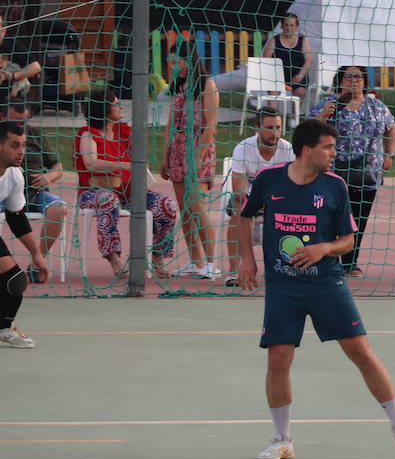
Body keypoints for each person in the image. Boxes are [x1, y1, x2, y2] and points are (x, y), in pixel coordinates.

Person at [236, 118, 395, 459]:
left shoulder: (335, 186)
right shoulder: (270, 180)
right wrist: (246, 259)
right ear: (307, 149)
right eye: (328, 147)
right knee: (278, 358)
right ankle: (282, 439)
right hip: (283, 287)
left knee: (361, 352)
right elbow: (245, 215)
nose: (333, 153)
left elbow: (346, 241)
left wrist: (322, 249)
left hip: (327, 284)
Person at [74, 91, 177, 280]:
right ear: (104, 109)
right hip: (93, 192)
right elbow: (90, 162)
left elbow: (138, 156)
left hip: (127, 192)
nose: (121, 107)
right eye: (116, 104)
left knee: (166, 205)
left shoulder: (123, 131)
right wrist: (124, 165)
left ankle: (157, 256)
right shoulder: (88, 134)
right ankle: (113, 258)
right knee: (108, 199)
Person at [310, 66, 395, 276]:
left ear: (365, 81)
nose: (353, 81)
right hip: (333, 171)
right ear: (340, 81)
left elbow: (391, 128)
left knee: (359, 219)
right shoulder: (329, 104)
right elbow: (308, 130)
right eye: (348, 77)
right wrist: (323, 115)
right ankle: (329, 260)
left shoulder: (377, 106)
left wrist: (389, 154)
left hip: (367, 171)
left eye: (358, 77)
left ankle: (350, 262)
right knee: (331, 217)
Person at [160, 38, 220, 278]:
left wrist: (197, 158)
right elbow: (170, 124)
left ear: (189, 60)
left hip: (198, 151)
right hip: (177, 151)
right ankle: (195, 262)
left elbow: (211, 127)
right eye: (170, 62)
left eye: (177, 62)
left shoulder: (207, 86)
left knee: (197, 207)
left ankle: (212, 263)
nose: (173, 67)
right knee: (184, 210)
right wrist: (165, 155)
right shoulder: (178, 87)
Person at [224, 108, 294, 287]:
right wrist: (257, 204)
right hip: (249, 197)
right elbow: (238, 188)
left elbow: (293, 184)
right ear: (257, 129)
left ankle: (285, 267)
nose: (275, 133)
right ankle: (233, 271)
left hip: (278, 199)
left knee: (294, 216)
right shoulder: (243, 147)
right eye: (270, 128)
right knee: (236, 213)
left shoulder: (288, 149)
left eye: (278, 127)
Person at [0, 121, 50, 347]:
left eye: (23, 145)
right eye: (14, 145)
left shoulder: (15, 176)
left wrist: (37, 254)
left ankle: (4, 328)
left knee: (15, 280)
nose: (21, 151)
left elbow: (16, 217)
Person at [4, 97, 67, 270]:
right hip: (4, 193)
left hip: (34, 192)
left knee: (59, 208)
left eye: (23, 121)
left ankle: (38, 262)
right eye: (15, 121)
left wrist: (49, 177)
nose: (19, 126)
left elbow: (58, 167)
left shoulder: (36, 134)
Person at [258, 12, 313, 102]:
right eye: (286, 25)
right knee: (273, 93)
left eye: (292, 25)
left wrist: (301, 74)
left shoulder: (303, 40)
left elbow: (309, 60)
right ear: (281, 26)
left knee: (300, 92)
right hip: (279, 76)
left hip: (297, 75)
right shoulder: (274, 40)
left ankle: (294, 116)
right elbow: (266, 60)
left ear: (296, 26)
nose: (289, 28)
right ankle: (271, 114)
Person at [0, 15, 44, 102]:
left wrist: (13, 76)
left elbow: (36, 67)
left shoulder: (11, 44)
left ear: (4, 31)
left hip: (10, 97)